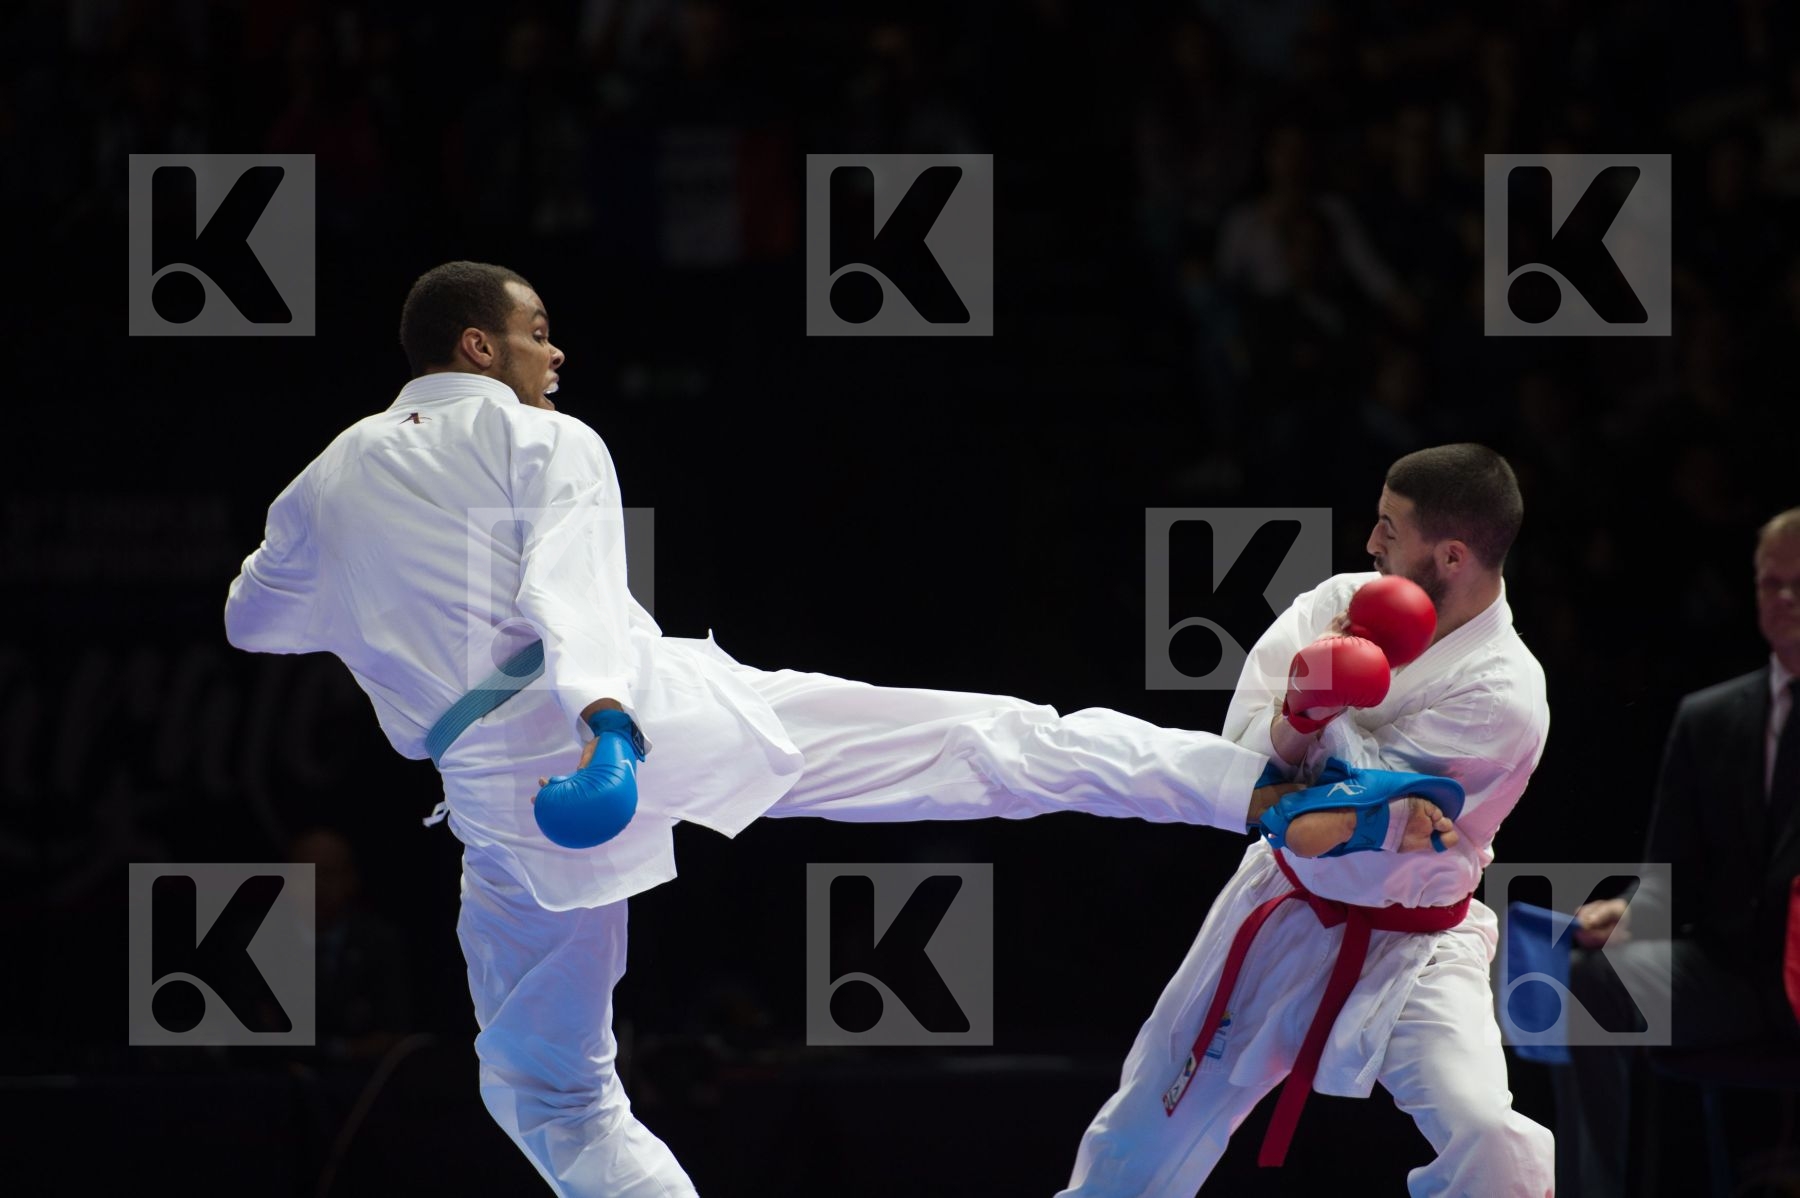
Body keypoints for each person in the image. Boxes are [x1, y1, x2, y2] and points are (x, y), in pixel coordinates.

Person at [223, 260, 1396, 1197]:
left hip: (512, 794)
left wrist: (376, 593)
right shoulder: (544, 440)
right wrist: (607, 721)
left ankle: (1247, 791)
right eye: (536, 331)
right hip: (629, 722)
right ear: (479, 345)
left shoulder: (328, 477)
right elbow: (569, 589)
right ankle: (1254, 789)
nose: (556, 350)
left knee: (550, 1094)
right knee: (982, 744)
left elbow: (250, 618)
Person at [1060, 443, 1556, 1197]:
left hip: (1414, 942)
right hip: (1284, 907)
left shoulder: (1503, 693)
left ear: (1452, 555)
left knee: (1488, 1137)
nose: (1371, 542)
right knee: (1138, 1139)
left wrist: (1314, 736)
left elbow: (1328, 819)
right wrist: (1301, 718)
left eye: (1391, 526)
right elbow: (1249, 774)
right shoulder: (1338, 605)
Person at [1554, 508, 1800, 1198]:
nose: (1782, 600)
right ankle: (1589, 1191)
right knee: (1590, 979)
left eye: (1799, 585)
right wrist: (1628, 913)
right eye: (1769, 583)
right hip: (1731, 977)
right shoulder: (1711, 717)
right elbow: (1671, 871)